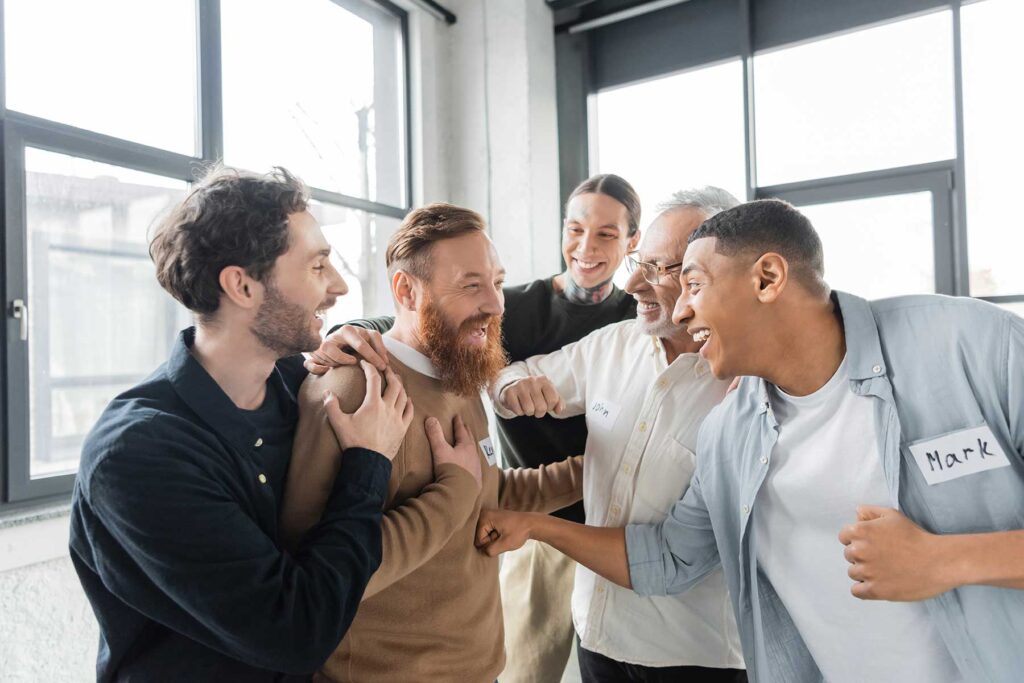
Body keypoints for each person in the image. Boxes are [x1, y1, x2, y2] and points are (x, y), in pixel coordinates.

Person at [477, 199, 1024, 682]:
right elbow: (669, 557)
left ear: (766, 278)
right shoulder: (730, 430)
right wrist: (535, 526)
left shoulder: (972, 347)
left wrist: (945, 560)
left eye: (691, 283)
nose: (681, 309)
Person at [69, 166, 413, 682]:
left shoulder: (301, 385)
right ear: (243, 285)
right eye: (318, 266)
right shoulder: (137, 454)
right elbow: (295, 632)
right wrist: (368, 464)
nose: (339, 285)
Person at [306, 174, 642, 682]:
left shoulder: (462, 374)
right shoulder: (355, 391)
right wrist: (342, 334)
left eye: (498, 283)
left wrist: (606, 463)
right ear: (406, 290)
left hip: (479, 666)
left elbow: (492, 489)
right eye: (472, 285)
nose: (496, 305)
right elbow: (328, 572)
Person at [491, 187, 746, 682]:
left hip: (691, 653)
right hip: (599, 635)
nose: (632, 283)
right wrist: (514, 388)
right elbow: (508, 373)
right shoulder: (616, 343)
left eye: (658, 268)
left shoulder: (749, 385)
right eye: (638, 263)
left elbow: (679, 553)